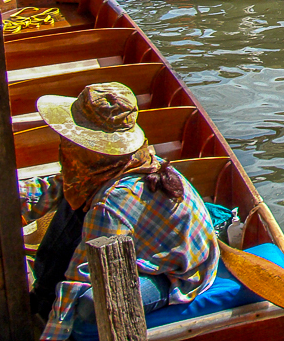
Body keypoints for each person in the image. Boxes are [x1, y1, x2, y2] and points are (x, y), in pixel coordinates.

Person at [13, 82, 218, 340]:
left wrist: (51, 333)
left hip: (179, 274)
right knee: (71, 202)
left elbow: (80, 281)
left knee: (89, 303)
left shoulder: (110, 205)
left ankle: (45, 300)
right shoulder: (119, 163)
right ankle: (42, 293)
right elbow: (63, 184)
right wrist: (10, 197)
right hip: (155, 242)